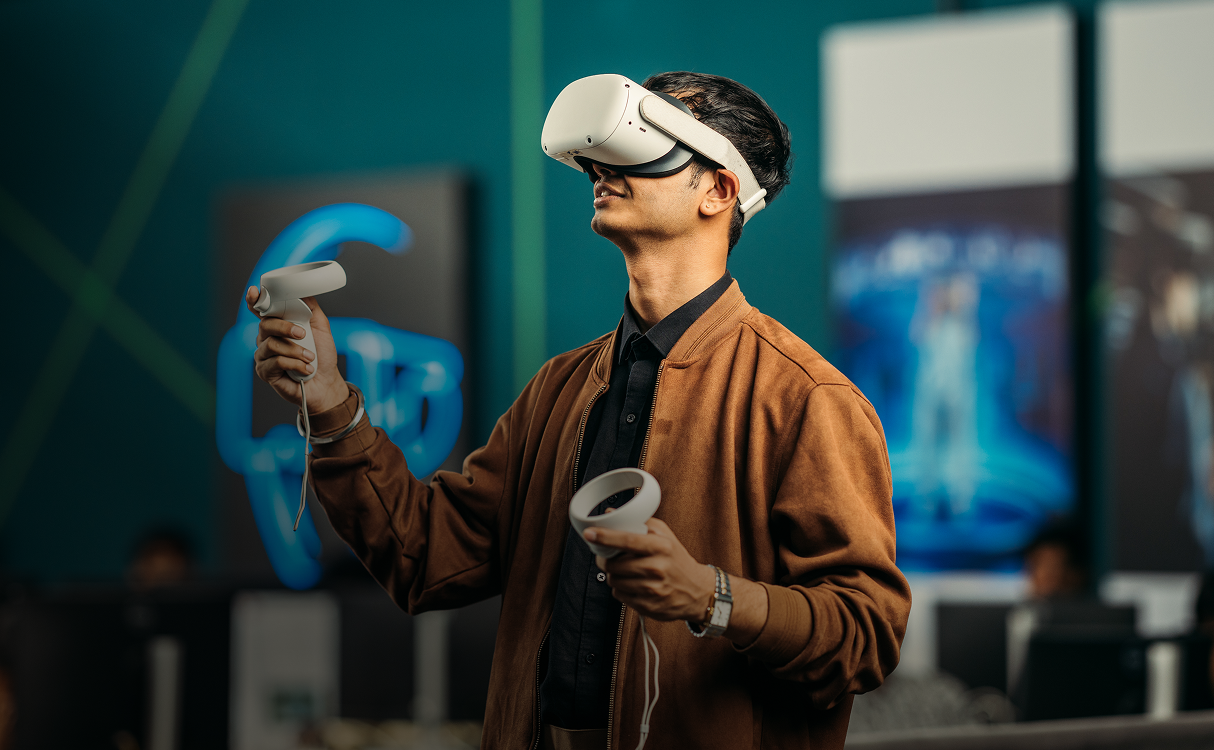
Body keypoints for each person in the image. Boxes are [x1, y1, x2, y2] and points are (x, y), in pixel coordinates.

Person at [249, 71, 909, 749]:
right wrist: (329, 402)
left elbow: (866, 636)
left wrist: (710, 596)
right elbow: (426, 557)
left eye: (646, 145)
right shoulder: (558, 391)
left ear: (719, 190)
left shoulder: (805, 399)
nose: (602, 168)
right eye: (599, 156)